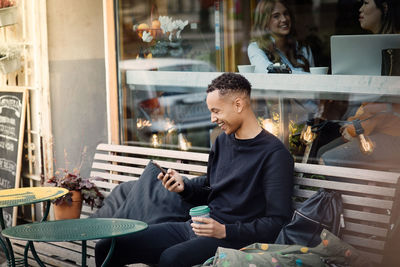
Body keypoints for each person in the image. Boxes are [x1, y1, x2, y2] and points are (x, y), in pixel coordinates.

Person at [95, 73, 294, 267]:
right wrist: (184, 188)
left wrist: (225, 230)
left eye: (216, 110)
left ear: (238, 104)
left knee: (171, 259)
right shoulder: (223, 141)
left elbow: (276, 222)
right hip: (197, 228)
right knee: (108, 247)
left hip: (233, 240)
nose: (212, 118)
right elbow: (211, 188)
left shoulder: (274, 155)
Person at [318, 0, 400, 170]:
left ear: (384, 7)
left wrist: (354, 128)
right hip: (375, 127)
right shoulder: (371, 47)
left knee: (326, 160)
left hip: (393, 134)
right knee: (321, 152)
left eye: (366, 2)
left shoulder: (395, 51)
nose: (360, 9)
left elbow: (383, 105)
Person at [248, 0, 315, 74]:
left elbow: (317, 78)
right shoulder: (256, 48)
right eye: (276, 16)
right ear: (265, 22)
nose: (284, 19)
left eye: (286, 13)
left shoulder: (303, 48)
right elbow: (267, 70)